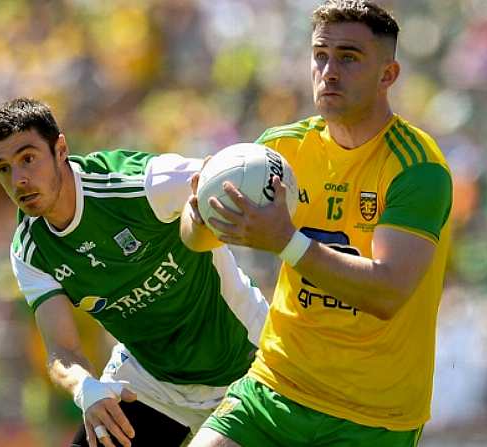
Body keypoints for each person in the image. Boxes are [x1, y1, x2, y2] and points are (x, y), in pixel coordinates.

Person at [182, 2, 453, 446]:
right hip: (275, 387)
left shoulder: (417, 168)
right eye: (320, 55)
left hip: (373, 416)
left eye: (348, 58)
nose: (328, 71)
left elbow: (387, 292)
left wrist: (286, 242)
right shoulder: (277, 150)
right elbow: (197, 239)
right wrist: (198, 212)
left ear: (388, 75)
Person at [0, 98, 269, 447]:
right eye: (3, 168)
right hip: (151, 382)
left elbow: (222, 174)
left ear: (60, 149)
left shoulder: (140, 185)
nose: (19, 179)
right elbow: (62, 351)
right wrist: (86, 389)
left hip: (246, 365)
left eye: (28, 159)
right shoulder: (29, 251)